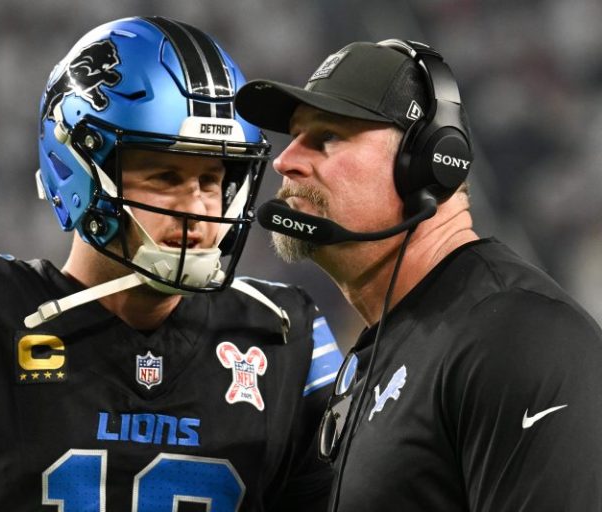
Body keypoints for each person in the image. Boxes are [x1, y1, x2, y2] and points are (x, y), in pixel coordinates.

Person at [0, 17, 344, 511]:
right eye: (166, 177)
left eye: (211, 180)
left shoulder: (282, 336)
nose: (197, 208)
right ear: (80, 172)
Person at [235, 39, 602, 511]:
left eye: (326, 137)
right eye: (293, 136)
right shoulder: (380, 353)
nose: (285, 161)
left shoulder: (519, 335)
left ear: (428, 163)